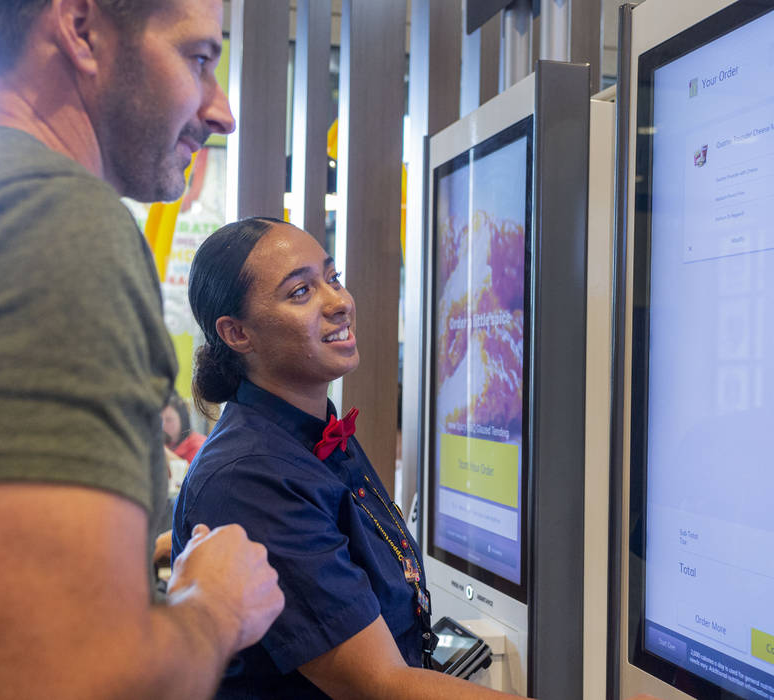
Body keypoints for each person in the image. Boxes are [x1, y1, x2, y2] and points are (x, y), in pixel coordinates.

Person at [0, 1, 283, 698]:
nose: (221, 111)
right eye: (198, 60)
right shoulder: (50, 221)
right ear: (82, 28)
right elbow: (62, 680)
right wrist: (218, 607)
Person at [173, 217, 518, 699]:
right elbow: (378, 685)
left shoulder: (316, 435)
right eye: (300, 292)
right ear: (236, 333)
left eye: (332, 278)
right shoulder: (250, 475)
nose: (339, 302)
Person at [163, 390, 208, 464]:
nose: (163, 425)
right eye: (161, 420)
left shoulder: (199, 445)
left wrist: (162, 450)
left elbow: (191, 473)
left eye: (169, 420)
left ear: (182, 419)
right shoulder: (168, 443)